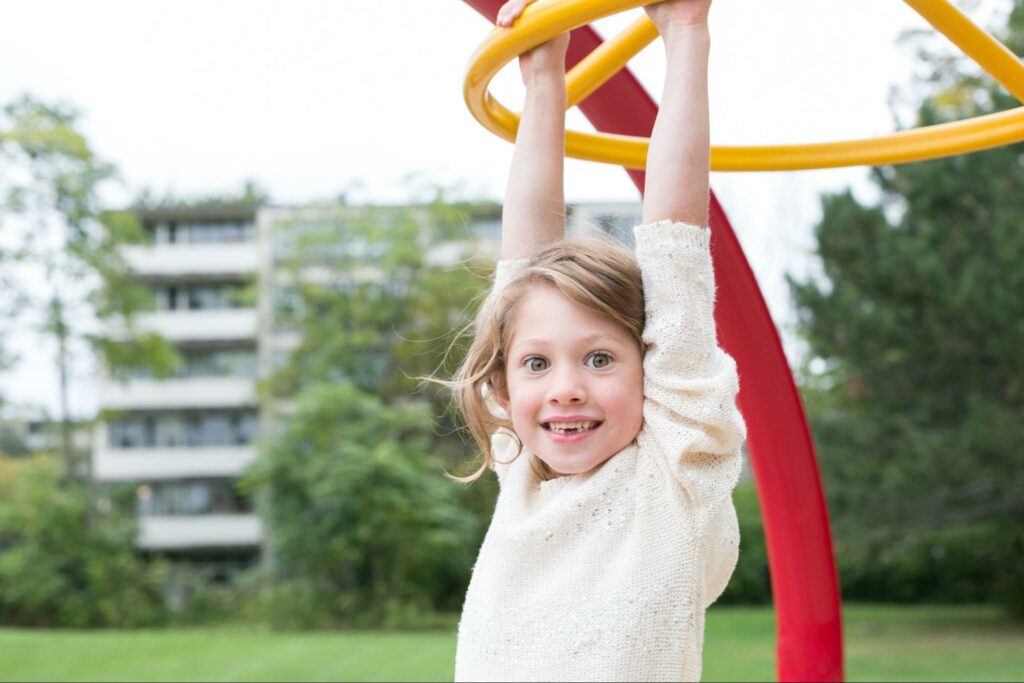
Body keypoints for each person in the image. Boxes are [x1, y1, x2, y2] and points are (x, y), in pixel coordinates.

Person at [450, 0, 745, 679]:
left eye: (602, 357)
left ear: (654, 366)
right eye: (535, 362)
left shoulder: (675, 471)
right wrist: (545, 76)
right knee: (526, 292)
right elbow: (523, 269)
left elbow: (675, 248)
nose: (566, 387)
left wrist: (685, 33)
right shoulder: (521, 465)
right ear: (501, 381)